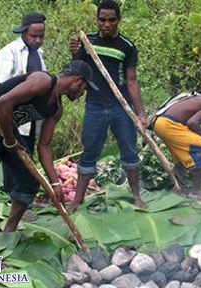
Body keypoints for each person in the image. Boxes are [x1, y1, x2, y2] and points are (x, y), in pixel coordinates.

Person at [0, 60, 98, 259]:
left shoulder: (56, 108)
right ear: (77, 81)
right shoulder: (42, 81)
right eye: (84, 89)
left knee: (30, 179)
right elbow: (3, 102)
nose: (81, 95)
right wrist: (10, 141)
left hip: (7, 132)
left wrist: (54, 183)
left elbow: (44, 146)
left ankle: (9, 232)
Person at [66, 0, 147, 212]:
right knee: (89, 153)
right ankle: (78, 199)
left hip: (121, 108)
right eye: (102, 20)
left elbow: (131, 81)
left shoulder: (127, 46)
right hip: (94, 106)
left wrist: (140, 114)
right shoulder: (87, 41)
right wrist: (75, 52)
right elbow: (77, 70)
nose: (107, 24)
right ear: (97, 20)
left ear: (119, 20)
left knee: (129, 152)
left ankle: (136, 196)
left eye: (112, 20)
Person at [0, 12, 47, 194]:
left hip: (30, 113)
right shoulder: (9, 53)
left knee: (27, 150)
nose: (38, 40)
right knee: (14, 153)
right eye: (34, 36)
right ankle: (13, 194)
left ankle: (23, 196)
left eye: (41, 36)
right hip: (10, 112)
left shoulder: (39, 54)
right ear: (24, 32)